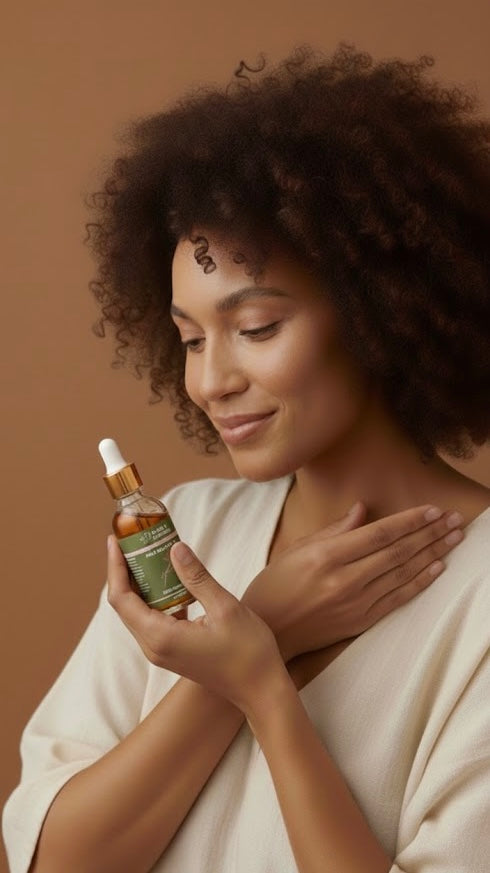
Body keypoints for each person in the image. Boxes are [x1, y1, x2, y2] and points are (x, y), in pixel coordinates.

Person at [3, 41, 490, 873]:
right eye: (190, 339)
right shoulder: (183, 532)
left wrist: (266, 687)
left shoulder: (480, 597)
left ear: (382, 307)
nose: (211, 380)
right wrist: (254, 635)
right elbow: (53, 862)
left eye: (257, 328)